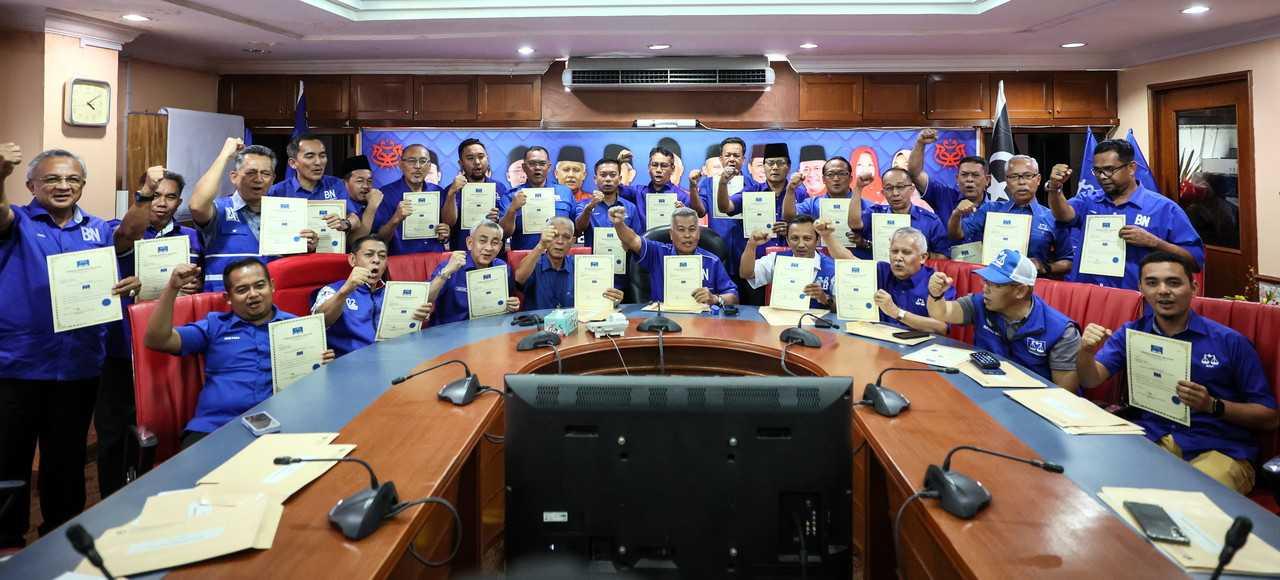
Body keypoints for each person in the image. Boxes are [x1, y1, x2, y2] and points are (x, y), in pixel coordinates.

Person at [0, 146, 142, 547]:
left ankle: (61, 540)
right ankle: (7, 543)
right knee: (9, 459)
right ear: (31, 185)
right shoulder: (16, 221)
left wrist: (128, 284)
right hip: (18, 367)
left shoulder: (98, 229)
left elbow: (114, 271)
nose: (63, 185)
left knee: (66, 459)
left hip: (79, 366)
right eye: (51, 179)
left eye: (72, 179)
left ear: (82, 184)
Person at [1077, 252, 1277, 493]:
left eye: (1173, 282)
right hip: (1154, 437)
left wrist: (1212, 405)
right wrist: (1085, 352)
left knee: (1191, 499)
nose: (1163, 291)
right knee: (1096, 475)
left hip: (1220, 448)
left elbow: (1269, 417)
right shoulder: (1132, 334)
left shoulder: (1230, 342)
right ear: (1141, 288)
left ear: (1193, 288)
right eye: (1152, 283)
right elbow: (1091, 379)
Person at [143, 259, 335, 448]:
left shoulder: (297, 327)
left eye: (260, 286)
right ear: (228, 297)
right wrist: (172, 288)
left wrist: (321, 367)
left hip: (281, 425)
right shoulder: (215, 325)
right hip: (215, 428)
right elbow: (157, 340)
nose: (253, 294)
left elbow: (312, 390)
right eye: (242, 290)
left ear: (272, 286)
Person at [97, 166, 204, 498]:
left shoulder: (192, 237)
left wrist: (195, 287)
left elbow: (202, 282)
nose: (161, 203)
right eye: (155, 195)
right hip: (122, 344)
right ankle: (112, 500)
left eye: (170, 197)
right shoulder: (120, 229)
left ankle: (160, 492)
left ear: (179, 202)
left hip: (170, 342)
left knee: (163, 421)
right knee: (114, 430)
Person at [1046, 139, 1204, 289]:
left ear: (1131, 168)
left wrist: (1155, 243)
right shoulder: (1088, 200)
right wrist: (1054, 187)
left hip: (1136, 298)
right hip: (1090, 294)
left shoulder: (1164, 209)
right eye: (1097, 171)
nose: (1102, 176)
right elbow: (1063, 215)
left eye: (1109, 169)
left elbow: (1195, 262)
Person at [926, 249, 1081, 390]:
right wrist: (936, 294)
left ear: (1020, 291)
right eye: (986, 281)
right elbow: (942, 312)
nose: (985, 289)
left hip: (1032, 402)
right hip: (987, 389)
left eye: (996, 285)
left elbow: (1065, 393)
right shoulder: (980, 303)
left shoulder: (1061, 332)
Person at [188, 138, 319, 292]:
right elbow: (197, 206)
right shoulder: (220, 209)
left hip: (273, 299)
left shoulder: (286, 213)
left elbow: (293, 266)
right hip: (225, 301)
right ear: (234, 177)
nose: (258, 179)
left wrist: (307, 248)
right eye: (251, 173)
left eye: (265, 173)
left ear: (273, 179)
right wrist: (224, 155)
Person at [950, 155, 1071, 277]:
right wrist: (956, 214)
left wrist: (1045, 267)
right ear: (1006, 181)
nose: (1021, 182)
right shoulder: (990, 210)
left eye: (1028, 176)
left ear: (1038, 179)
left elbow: (1068, 261)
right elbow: (957, 234)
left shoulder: (1052, 217)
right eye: (1014, 177)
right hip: (993, 282)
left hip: (1034, 284)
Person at [312, 236, 432, 356]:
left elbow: (404, 333)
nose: (376, 260)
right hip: (351, 361)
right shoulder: (333, 290)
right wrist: (345, 290)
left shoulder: (393, 293)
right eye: (369, 255)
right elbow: (320, 323)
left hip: (392, 357)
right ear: (353, 259)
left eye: (382, 256)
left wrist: (416, 317)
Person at [611, 206, 739, 307]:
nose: (687, 235)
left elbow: (733, 297)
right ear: (671, 234)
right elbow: (632, 240)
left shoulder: (712, 261)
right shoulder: (657, 253)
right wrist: (619, 224)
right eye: (681, 230)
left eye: (692, 229)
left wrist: (715, 298)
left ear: (699, 233)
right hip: (664, 320)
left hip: (702, 320)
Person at [740, 215, 853, 310]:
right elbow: (746, 273)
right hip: (781, 321)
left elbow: (845, 308)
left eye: (807, 238)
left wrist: (825, 299)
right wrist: (751, 244)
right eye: (795, 238)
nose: (801, 244)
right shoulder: (777, 259)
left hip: (819, 325)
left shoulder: (832, 268)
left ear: (817, 240)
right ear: (787, 240)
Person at [513, 217, 624, 310]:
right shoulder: (533, 263)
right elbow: (519, 278)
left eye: (566, 237)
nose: (560, 241)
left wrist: (613, 299)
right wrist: (541, 245)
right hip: (537, 325)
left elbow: (598, 296)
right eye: (554, 235)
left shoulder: (581, 265)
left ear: (573, 241)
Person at [269, 134, 362, 241]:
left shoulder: (336, 184)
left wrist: (345, 223)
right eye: (310, 156)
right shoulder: (277, 191)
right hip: (293, 250)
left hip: (330, 249)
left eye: (322, 156)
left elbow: (355, 219)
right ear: (293, 163)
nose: (318, 162)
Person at [426, 220, 521, 324]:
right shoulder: (451, 265)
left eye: (494, 243)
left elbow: (507, 301)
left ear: (500, 246)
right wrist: (446, 272)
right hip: (451, 329)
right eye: (483, 241)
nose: (488, 248)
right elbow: (427, 299)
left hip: (489, 327)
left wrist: (512, 304)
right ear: (470, 243)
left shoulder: (502, 267)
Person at [848, 167, 950, 259]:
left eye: (900, 187)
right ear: (883, 192)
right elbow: (854, 224)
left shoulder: (930, 221)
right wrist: (858, 188)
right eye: (889, 188)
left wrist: (917, 254)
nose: (895, 193)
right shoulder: (875, 213)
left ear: (911, 189)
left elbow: (944, 256)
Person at [372, 143, 456, 255]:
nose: (417, 166)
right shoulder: (386, 194)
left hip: (434, 259)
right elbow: (378, 239)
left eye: (423, 161)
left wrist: (444, 234)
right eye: (411, 161)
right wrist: (396, 219)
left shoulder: (438, 192)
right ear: (401, 165)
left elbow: (446, 228)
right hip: (400, 261)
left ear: (429, 166)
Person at [784, 156, 875, 258]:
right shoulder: (813, 204)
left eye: (842, 174)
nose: (836, 178)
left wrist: (863, 242)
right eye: (830, 174)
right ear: (823, 179)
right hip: (822, 264)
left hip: (857, 262)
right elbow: (789, 217)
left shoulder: (869, 207)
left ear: (850, 178)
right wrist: (790, 189)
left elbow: (881, 246)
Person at [870, 227, 951, 334]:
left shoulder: (936, 283)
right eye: (894, 251)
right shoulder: (882, 272)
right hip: (881, 339)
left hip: (921, 343)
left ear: (923, 258)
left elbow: (942, 328)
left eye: (906, 252)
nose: (898, 258)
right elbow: (852, 264)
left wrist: (896, 312)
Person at [906, 129, 992, 227]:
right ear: (957, 178)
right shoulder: (944, 197)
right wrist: (920, 143)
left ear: (987, 180)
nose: (969, 179)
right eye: (964, 175)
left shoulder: (997, 208)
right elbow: (915, 174)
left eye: (975, 175)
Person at [499, 146, 578, 250]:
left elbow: (576, 229)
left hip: (557, 256)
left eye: (542, 163)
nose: (537, 167)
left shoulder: (565, 192)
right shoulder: (511, 196)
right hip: (524, 257)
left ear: (549, 167)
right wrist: (512, 209)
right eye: (532, 163)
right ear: (524, 167)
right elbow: (503, 233)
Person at [448, 139, 507, 250]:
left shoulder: (500, 188)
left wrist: (498, 220)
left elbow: (507, 228)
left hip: (492, 254)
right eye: (470, 158)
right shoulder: (452, 190)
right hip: (462, 253)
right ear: (461, 163)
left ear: (487, 159)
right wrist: (451, 193)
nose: (477, 162)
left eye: (481, 157)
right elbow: (448, 223)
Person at [617, 146, 696, 226]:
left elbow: (693, 224)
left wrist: (685, 216)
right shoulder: (638, 192)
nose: (658, 170)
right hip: (644, 234)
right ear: (649, 167)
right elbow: (615, 189)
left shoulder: (682, 197)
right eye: (654, 165)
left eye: (664, 166)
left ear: (672, 169)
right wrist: (618, 164)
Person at [340, 155, 379, 239]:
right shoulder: (341, 207)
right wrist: (371, 207)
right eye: (360, 181)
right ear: (345, 182)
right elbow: (355, 242)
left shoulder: (375, 200)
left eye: (369, 181)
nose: (366, 186)